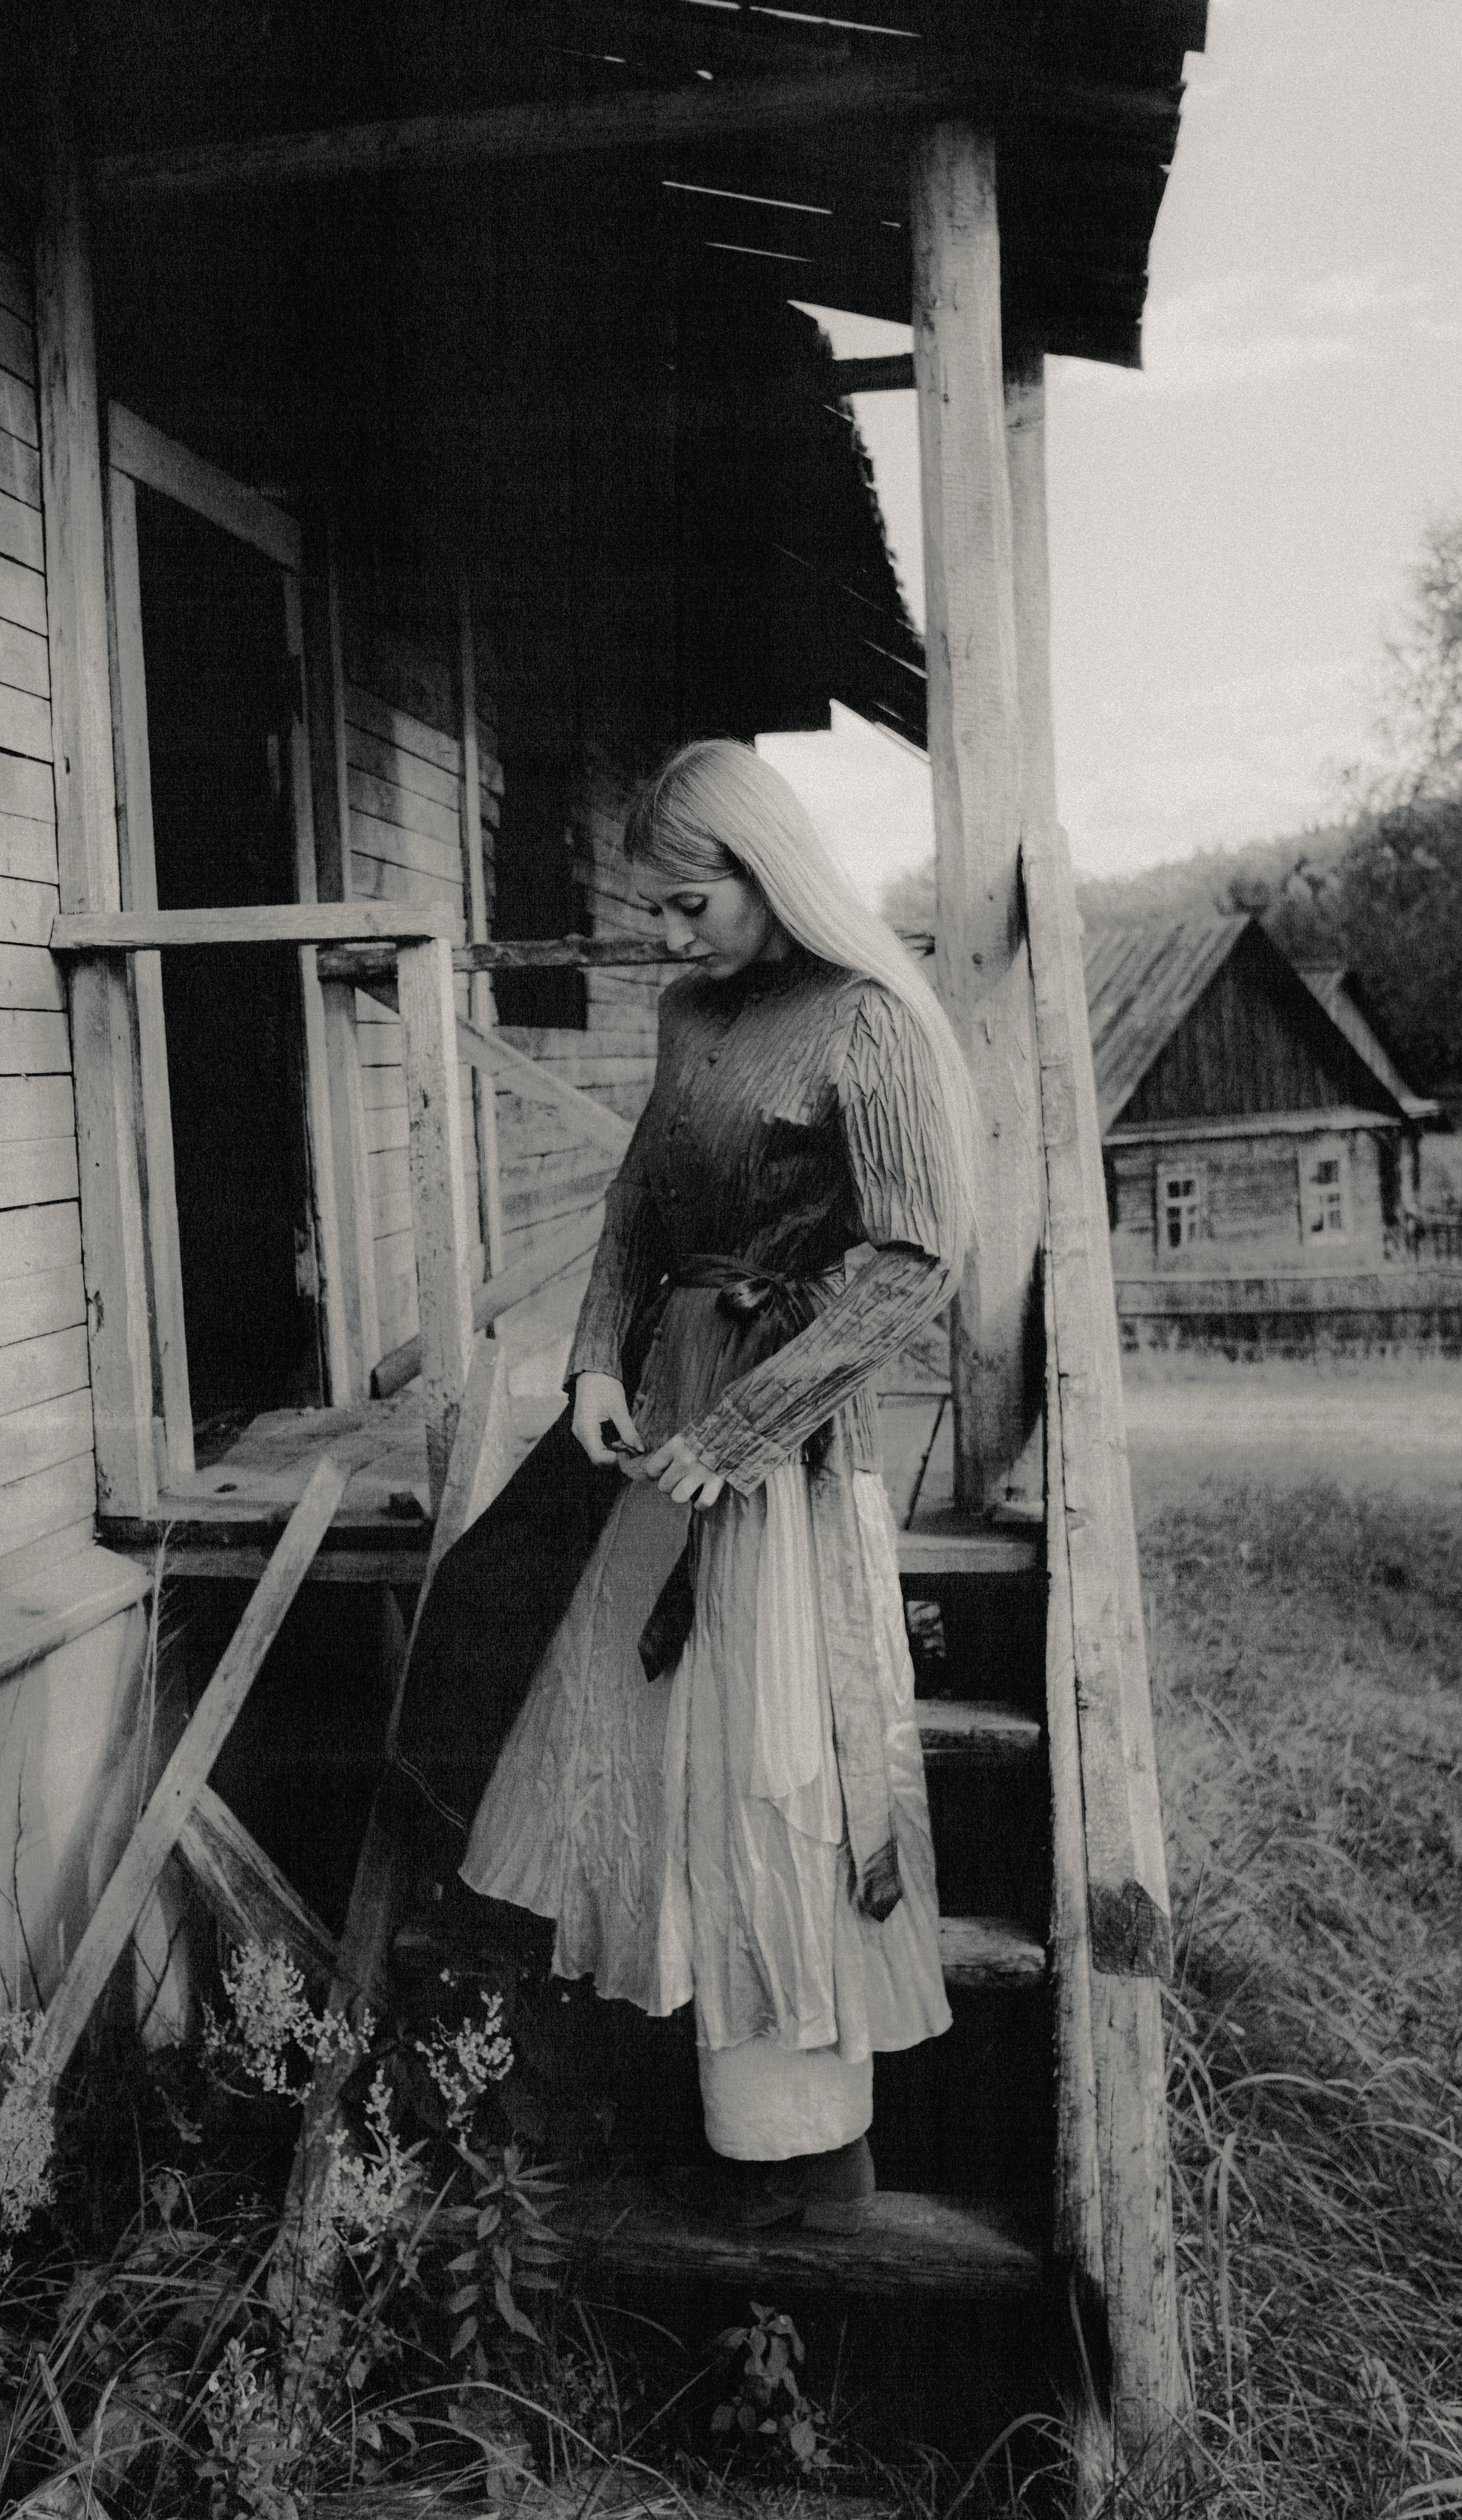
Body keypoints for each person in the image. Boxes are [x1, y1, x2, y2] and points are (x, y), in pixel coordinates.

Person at [446, 737, 979, 2234]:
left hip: (781, 1446)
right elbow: (631, 1211)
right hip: (661, 1424)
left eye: (691, 906)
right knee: (647, 1745)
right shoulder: (688, 1021)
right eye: (659, 911)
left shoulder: (863, 1023)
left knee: (776, 1769)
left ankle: (812, 2161)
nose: (666, 940)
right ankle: (691, 2113)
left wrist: (741, 1429)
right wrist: (597, 1370)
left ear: (769, 872)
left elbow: (904, 1268)